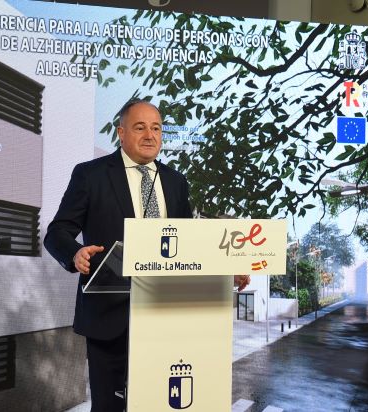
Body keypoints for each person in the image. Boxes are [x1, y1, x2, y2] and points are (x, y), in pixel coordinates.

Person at [44, 100, 248, 412]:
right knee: (109, 407)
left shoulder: (176, 182)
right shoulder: (90, 175)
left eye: (156, 128)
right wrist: (75, 254)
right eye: (140, 127)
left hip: (164, 315)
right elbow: (57, 231)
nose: (150, 135)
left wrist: (225, 270)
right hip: (108, 316)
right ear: (121, 133)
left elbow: (189, 245)